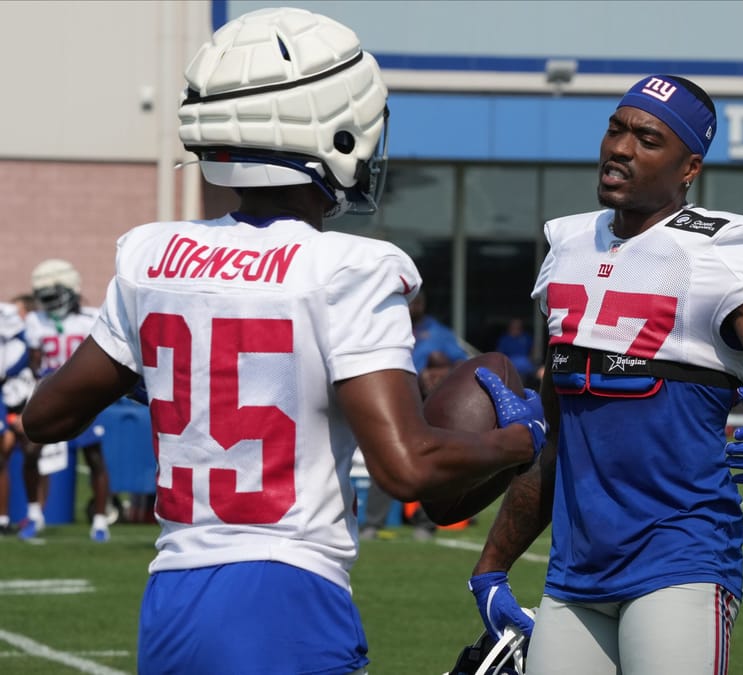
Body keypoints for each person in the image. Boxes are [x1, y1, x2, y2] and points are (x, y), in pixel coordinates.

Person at [20, 7, 545, 675]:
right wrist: (522, 438)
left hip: (172, 595)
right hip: (287, 588)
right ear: (336, 132)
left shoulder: (152, 257)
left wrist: (173, 361)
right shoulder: (349, 268)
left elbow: (45, 415)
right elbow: (407, 467)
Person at [467, 74, 743, 675]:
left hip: (681, 559)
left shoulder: (726, 252)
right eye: (616, 129)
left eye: (647, 139)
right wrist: (491, 567)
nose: (621, 148)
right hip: (576, 571)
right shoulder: (568, 246)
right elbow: (557, 443)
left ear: (689, 166)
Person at [360, 288, 469, 541]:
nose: (413, 307)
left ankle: (425, 522)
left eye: (418, 302)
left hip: (425, 400)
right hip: (391, 397)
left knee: (427, 458)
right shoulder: (384, 327)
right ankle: (372, 523)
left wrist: (441, 370)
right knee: (386, 456)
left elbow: (461, 361)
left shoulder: (439, 332)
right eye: (410, 302)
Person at [17, 260, 113, 542]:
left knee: (94, 457)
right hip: (48, 393)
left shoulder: (90, 318)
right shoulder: (36, 321)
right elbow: (34, 362)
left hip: (84, 395)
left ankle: (99, 521)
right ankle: (34, 514)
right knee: (31, 451)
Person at [0, 300, 31, 535]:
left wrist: (6, 372)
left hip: (7, 392)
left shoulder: (5, 313)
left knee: (2, 456)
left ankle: (2, 518)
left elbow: (25, 347)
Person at [495, 317, 536, 386]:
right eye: (514, 326)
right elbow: (499, 355)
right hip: (510, 367)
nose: (517, 328)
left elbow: (533, 350)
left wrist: (532, 360)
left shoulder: (526, 337)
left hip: (527, 367)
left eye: (519, 326)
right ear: (510, 327)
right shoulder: (504, 339)